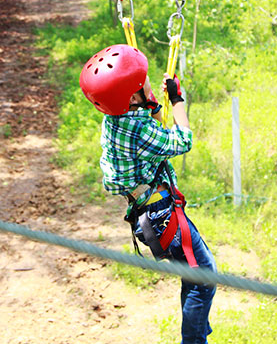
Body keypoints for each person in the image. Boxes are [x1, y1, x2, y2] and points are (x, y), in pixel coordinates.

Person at [79, 44, 216, 343]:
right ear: (131, 96)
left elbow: (145, 122)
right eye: (144, 83)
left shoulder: (115, 119)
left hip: (148, 212)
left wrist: (152, 103)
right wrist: (177, 99)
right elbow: (183, 139)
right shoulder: (140, 130)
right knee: (204, 278)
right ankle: (194, 339)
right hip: (161, 214)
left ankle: (197, 330)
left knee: (196, 276)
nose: (149, 84)